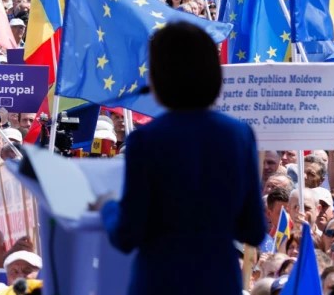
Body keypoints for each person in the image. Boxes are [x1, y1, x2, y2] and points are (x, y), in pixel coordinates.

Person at [99, 22, 266, 295]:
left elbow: (127, 235)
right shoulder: (239, 135)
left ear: (159, 77)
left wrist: (107, 208)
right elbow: (253, 230)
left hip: (159, 283)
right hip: (219, 282)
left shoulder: (146, 141)